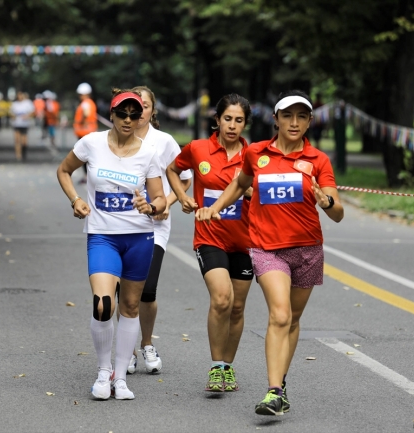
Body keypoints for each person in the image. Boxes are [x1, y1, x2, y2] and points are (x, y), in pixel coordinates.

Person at [195, 90, 344, 415]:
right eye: (287, 116)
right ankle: (274, 391)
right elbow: (238, 183)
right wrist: (215, 208)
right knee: (279, 314)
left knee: (292, 320)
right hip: (266, 249)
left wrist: (327, 201)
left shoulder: (318, 160)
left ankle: (282, 383)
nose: (294, 122)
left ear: (308, 122)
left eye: (301, 116)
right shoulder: (258, 154)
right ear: (275, 119)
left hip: (307, 249)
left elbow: (337, 211)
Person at [56, 88, 167, 400]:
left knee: (131, 306)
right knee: (104, 304)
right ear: (113, 114)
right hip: (103, 237)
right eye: (123, 114)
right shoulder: (91, 143)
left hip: (139, 238)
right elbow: (64, 171)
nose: (129, 119)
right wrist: (76, 199)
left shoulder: (148, 152)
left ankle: (121, 378)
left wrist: (152, 207)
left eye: (135, 114)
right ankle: (104, 372)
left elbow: (159, 197)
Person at [166, 94, 254, 393]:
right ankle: (216, 367)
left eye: (238, 120)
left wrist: (252, 193)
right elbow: (172, 170)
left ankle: (228, 368)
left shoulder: (254, 156)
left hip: (246, 241)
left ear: (245, 124)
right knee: (222, 299)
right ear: (217, 120)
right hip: (210, 237)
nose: (232, 126)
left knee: (238, 307)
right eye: (227, 119)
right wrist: (182, 197)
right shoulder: (198, 149)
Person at [119, 85, 192, 375]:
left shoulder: (164, 142)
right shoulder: (116, 139)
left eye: (145, 106)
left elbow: (184, 178)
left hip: (154, 225)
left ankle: (147, 343)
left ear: (152, 110)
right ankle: (129, 350)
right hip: (119, 224)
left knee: (146, 290)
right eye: (134, 107)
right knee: (122, 291)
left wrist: (168, 203)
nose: (139, 112)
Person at [73, 82, 98, 184]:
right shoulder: (90, 102)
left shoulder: (86, 103)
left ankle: (87, 176)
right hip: (88, 131)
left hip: (84, 132)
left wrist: (82, 120)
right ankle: (88, 176)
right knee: (88, 155)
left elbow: (86, 113)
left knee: (85, 156)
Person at [10, 92, 35, 162]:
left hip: (24, 124)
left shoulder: (28, 103)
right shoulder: (14, 104)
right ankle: (18, 155)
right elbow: (11, 113)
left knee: (24, 142)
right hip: (16, 124)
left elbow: (32, 112)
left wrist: (27, 116)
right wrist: (13, 116)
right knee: (17, 140)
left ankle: (24, 154)